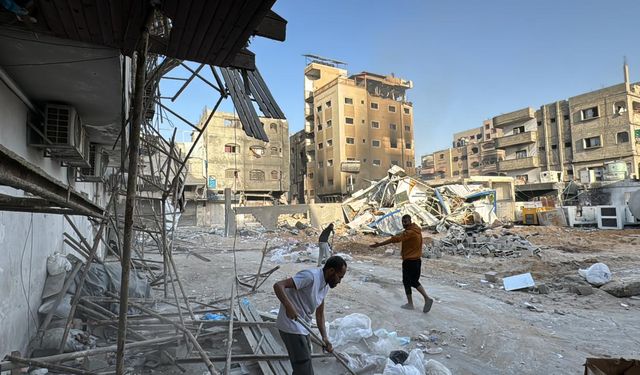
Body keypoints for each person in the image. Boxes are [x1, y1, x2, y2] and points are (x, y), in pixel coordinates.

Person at [273, 256, 347, 374]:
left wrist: (324, 337)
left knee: (303, 366)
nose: (339, 281)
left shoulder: (325, 286)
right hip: (291, 326)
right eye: (340, 277)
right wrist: (288, 306)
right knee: (304, 368)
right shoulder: (310, 276)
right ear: (331, 271)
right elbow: (278, 285)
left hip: (303, 327)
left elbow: (319, 314)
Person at [370, 214, 433, 313]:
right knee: (412, 281)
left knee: (409, 282)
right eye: (403, 222)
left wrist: (379, 245)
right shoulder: (416, 230)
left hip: (409, 261)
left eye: (405, 222)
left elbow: (396, 239)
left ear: (410, 221)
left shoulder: (409, 232)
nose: (404, 224)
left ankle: (423, 299)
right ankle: (413, 302)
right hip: (417, 261)